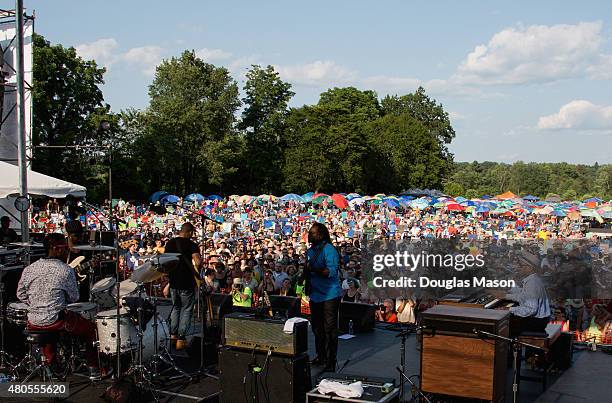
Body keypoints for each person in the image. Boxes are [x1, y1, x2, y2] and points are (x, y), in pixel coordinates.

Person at [16, 233, 101, 379]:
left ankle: (52, 363)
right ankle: (94, 368)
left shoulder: (29, 269)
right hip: (56, 321)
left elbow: (20, 294)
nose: (67, 251)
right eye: (64, 248)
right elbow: (74, 297)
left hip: (33, 321)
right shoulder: (65, 270)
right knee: (91, 329)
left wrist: (37, 304)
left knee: (50, 327)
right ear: (55, 248)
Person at [306, 222, 342, 372]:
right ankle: (321, 356)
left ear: (320, 234)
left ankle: (330, 361)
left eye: (313, 233)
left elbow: (331, 272)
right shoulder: (310, 251)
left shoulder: (329, 250)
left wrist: (314, 269)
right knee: (317, 329)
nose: (310, 235)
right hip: (315, 294)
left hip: (330, 295)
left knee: (329, 329)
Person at [164, 222, 201, 350]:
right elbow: (198, 261)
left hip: (174, 282)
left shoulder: (170, 243)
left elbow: (166, 262)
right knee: (187, 310)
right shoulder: (191, 245)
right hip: (187, 283)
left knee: (176, 308)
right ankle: (181, 338)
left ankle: (172, 336)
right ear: (190, 232)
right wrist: (197, 269)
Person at [502, 251, 552, 335]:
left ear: (530, 268)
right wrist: (505, 295)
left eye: (520, 265)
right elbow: (523, 295)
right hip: (540, 320)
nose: (517, 267)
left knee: (506, 329)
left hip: (535, 323)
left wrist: (508, 309)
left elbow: (530, 309)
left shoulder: (532, 283)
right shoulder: (533, 279)